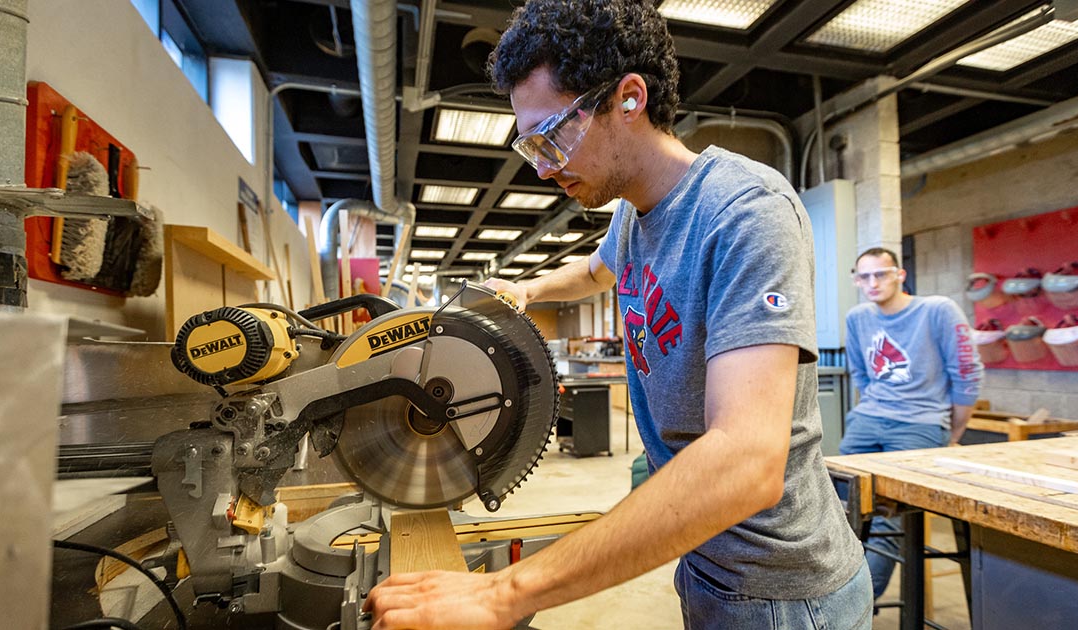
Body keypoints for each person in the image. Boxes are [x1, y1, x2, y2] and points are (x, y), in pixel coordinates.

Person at [364, 1, 870, 628]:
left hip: (783, 588)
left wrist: (502, 594)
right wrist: (526, 289)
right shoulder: (634, 211)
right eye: (531, 146)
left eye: (553, 135)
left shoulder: (746, 210)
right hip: (708, 561)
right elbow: (596, 272)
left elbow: (747, 461)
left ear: (629, 98)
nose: (544, 166)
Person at [838, 247, 983, 600]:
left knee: (890, 520)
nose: (872, 283)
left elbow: (967, 374)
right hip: (868, 419)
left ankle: (857, 605)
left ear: (900, 274)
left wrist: (953, 433)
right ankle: (835, 594)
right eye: (864, 277)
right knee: (838, 510)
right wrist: (873, 404)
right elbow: (860, 372)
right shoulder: (858, 317)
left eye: (881, 274)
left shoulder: (937, 310)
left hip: (920, 423)